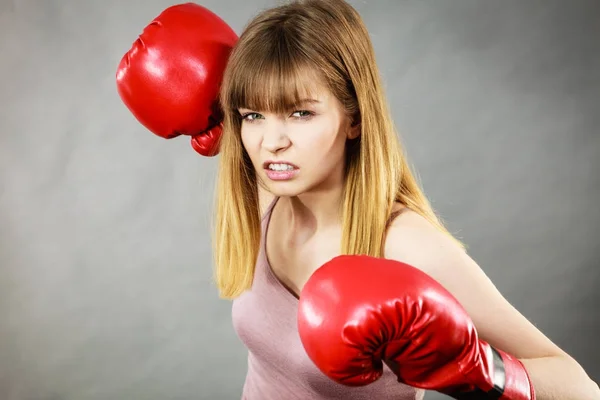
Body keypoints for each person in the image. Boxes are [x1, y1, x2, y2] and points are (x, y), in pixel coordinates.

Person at [116, 1, 600, 399]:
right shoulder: (269, 190)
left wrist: (476, 368)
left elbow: (581, 388)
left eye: (301, 113)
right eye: (252, 115)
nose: (270, 142)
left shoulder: (407, 247)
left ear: (354, 119)